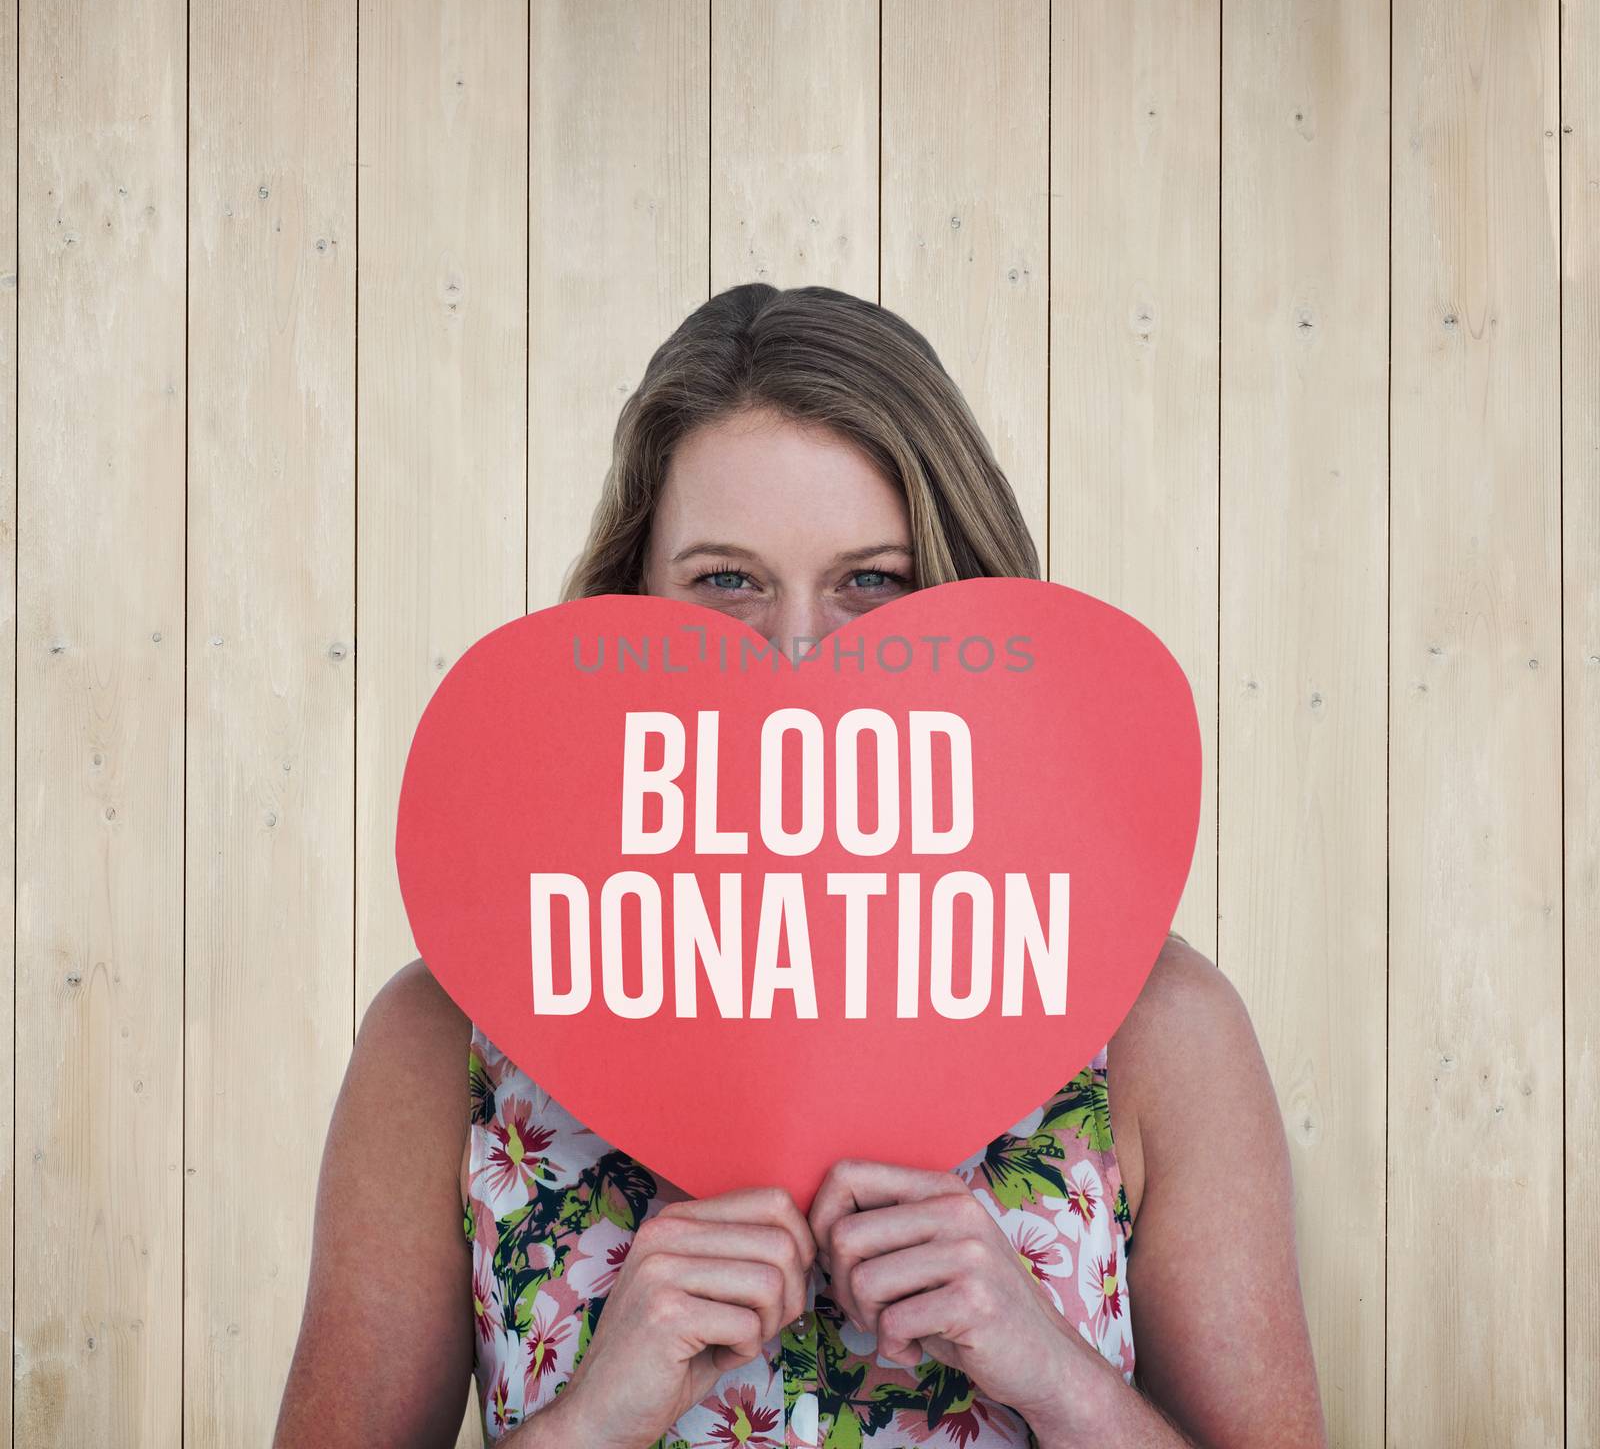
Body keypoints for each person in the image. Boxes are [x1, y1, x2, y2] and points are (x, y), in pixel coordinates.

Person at [274, 284, 1328, 1449]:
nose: (798, 657)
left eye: (870, 579)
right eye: (726, 579)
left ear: (964, 593)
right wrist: (599, 1414)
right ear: (628, 609)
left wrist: (1052, 1372)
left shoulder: (1156, 1029)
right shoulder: (445, 1042)